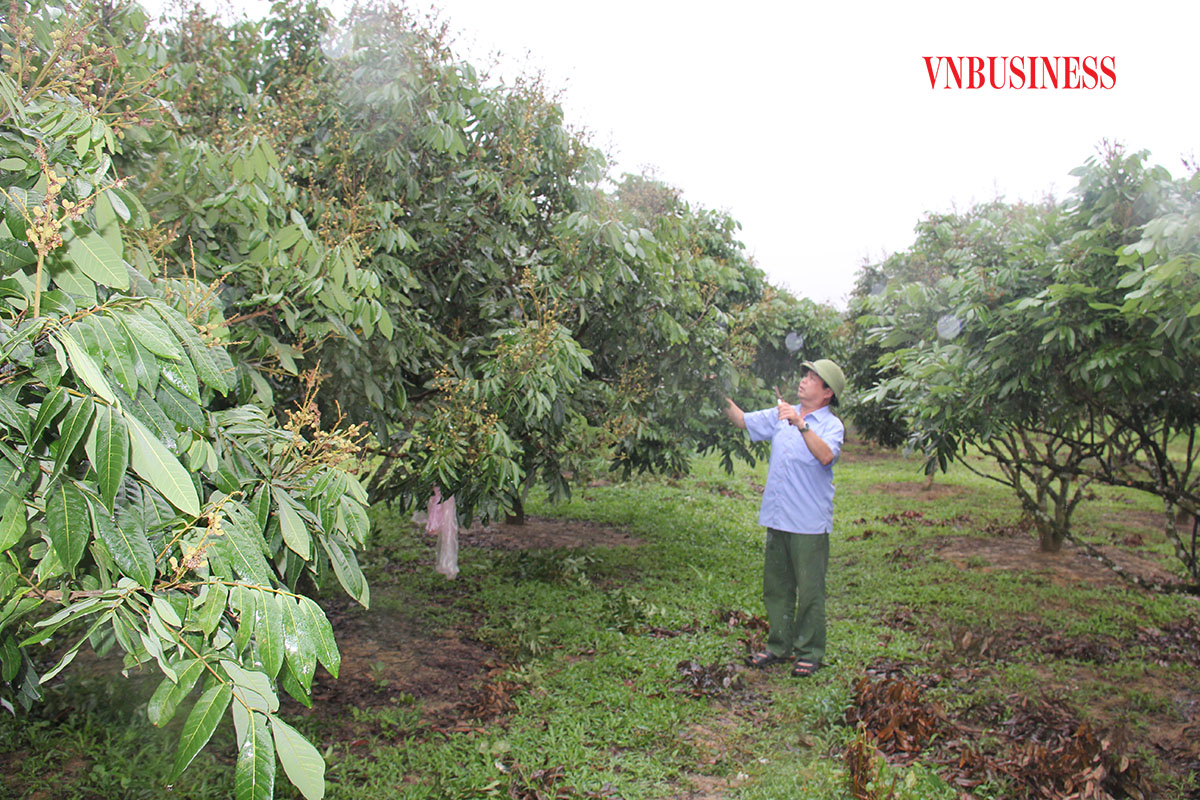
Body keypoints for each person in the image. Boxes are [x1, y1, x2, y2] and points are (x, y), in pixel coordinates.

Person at [724, 359, 846, 678]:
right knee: (776, 586)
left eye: (812, 378)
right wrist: (716, 391)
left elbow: (826, 456)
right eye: (805, 375)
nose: (804, 381)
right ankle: (779, 645)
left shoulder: (831, 425)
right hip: (778, 518)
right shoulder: (782, 414)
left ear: (827, 392)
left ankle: (809, 651)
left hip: (808, 522)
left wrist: (800, 423)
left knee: (809, 589)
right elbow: (741, 420)